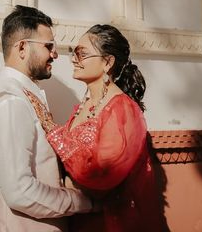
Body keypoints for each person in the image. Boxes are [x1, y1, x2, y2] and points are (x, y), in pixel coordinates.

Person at [25, 24, 165, 232]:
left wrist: (51, 128)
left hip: (112, 223)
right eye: (74, 52)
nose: (73, 59)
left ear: (107, 62)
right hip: (82, 218)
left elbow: (102, 175)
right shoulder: (86, 104)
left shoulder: (122, 109)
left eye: (81, 53)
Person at [0, 5, 93, 232]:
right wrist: (84, 202)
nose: (55, 54)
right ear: (22, 48)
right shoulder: (11, 101)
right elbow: (20, 192)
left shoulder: (23, 94)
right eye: (48, 46)